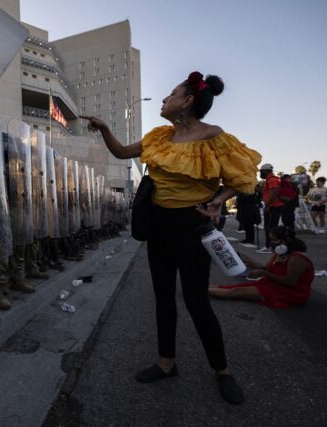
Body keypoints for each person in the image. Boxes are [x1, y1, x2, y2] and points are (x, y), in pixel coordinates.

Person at [82, 71, 261, 405]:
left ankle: (222, 370)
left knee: (196, 301)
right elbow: (121, 152)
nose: (165, 99)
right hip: (158, 226)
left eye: (171, 93)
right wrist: (105, 128)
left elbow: (241, 176)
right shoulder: (159, 136)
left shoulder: (214, 136)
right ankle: (166, 362)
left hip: (192, 225)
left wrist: (218, 202)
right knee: (163, 296)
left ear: (188, 100)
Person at [209, 226, 314, 308]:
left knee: (237, 291)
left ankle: (196, 292)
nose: (271, 243)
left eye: (275, 240)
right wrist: (248, 263)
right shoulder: (280, 253)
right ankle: (199, 289)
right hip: (273, 285)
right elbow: (267, 269)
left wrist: (264, 273)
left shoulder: (297, 258)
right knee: (232, 288)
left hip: (290, 293)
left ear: (287, 240)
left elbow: (290, 282)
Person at [256, 164, 283, 254]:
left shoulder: (272, 179)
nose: (260, 173)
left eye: (261, 171)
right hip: (271, 206)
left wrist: (267, 205)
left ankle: (271, 247)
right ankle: (268, 246)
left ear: (266, 171)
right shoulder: (269, 180)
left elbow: (273, 193)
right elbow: (265, 192)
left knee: (271, 228)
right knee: (268, 226)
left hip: (273, 206)